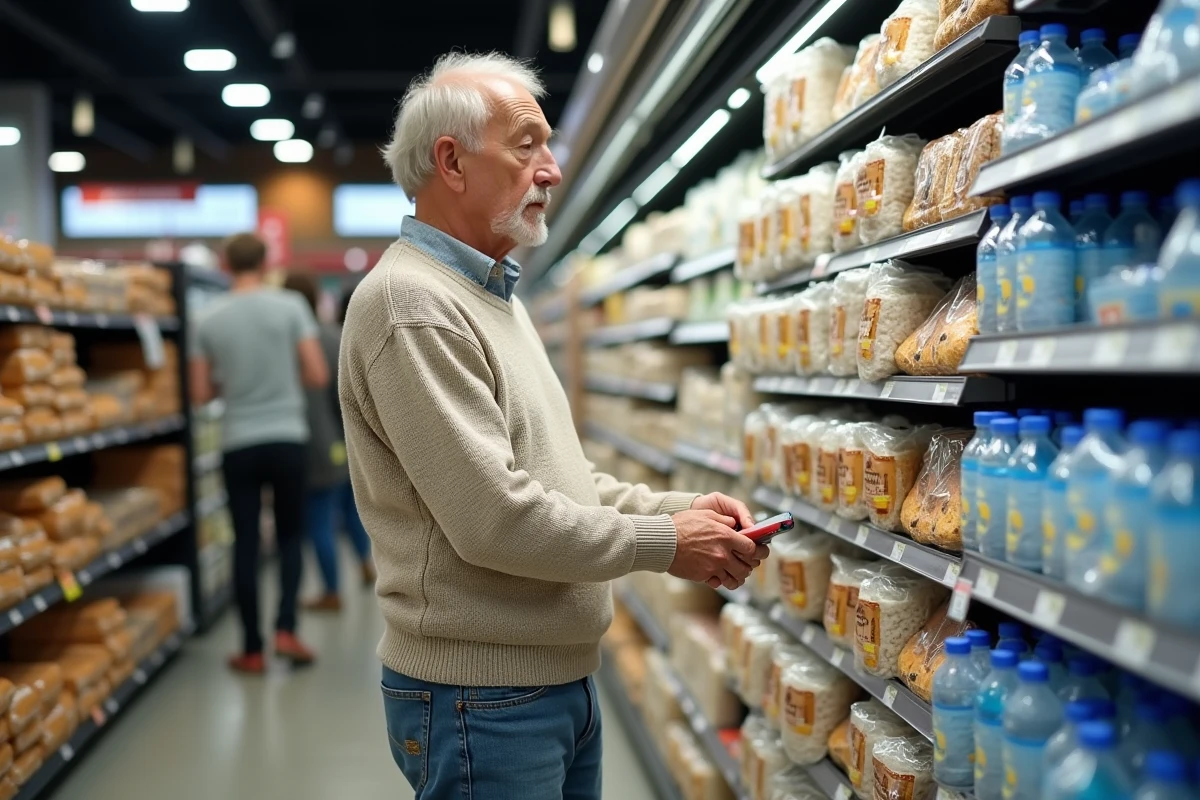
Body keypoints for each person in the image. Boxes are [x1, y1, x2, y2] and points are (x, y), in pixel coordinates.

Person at [338, 52, 767, 799]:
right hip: (482, 699)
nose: (551, 170)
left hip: (549, 681)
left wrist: (676, 511)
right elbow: (495, 520)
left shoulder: (495, 297)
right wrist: (666, 546)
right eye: (526, 144)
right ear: (452, 161)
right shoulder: (411, 305)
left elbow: (556, 478)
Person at [190, 233, 327, 673]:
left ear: (225, 263)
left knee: (245, 544)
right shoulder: (290, 308)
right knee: (290, 537)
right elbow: (317, 374)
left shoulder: (208, 319)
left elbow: (200, 392)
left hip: (238, 440)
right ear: (267, 261)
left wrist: (235, 381)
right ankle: (286, 629)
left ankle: (251, 649)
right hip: (288, 435)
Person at [281, 272, 375, 611]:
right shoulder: (334, 336)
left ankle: (331, 591)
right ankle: (365, 564)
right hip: (340, 439)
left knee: (318, 519)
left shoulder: (290, 340)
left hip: (308, 443)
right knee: (350, 508)